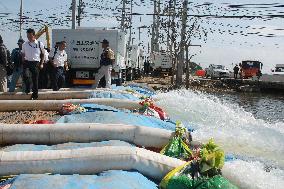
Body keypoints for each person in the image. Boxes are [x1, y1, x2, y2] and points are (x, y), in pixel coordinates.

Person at [21, 28, 45, 99]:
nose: (29, 38)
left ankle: (35, 95)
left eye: (30, 36)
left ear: (34, 35)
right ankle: (28, 87)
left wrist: (41, 63)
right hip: (27, 62)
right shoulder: (25, 44)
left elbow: (43, 54)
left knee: (35, 79)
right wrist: (23, 58)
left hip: (36, 63)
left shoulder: (39, 44)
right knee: (25, 76)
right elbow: (23, 53)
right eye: (28, 36)